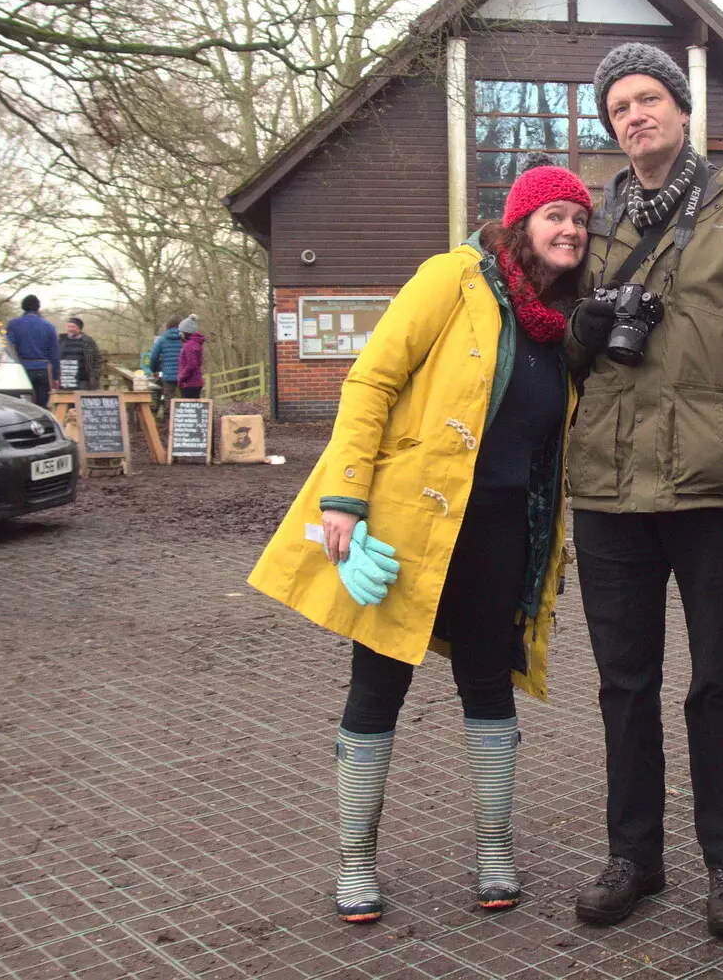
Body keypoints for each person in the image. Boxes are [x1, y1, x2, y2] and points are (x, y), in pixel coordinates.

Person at [248, 159, 590, 920]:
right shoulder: (454, 277)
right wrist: (343, 496)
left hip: (503, 534)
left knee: (487, 686)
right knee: (377, 685)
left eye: (580, 219)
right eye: (555, 215)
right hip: (411, 526)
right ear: (522, 223)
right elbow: (371, 379)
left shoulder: (559, 324)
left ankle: (495, 851)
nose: (570, 229)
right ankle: (354, 862)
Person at [566, 42, 723, 937]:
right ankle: (633, 854)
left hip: (715, 484)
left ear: (680, 109)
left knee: (720, 681)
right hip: (604, 484)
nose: (635, 115)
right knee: (622, 684)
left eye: (649, 99)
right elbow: (558, 352)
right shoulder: (590, 221)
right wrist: (581, 330)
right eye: (619, 107)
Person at [5, 294, 61, 407]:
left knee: (22, 405)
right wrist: (56, 377)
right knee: (42, 404)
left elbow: (8, 348)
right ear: (38, 307)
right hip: (43, 369)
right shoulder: (48, 326)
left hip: (22, 369)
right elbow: (54, 354)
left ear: (23, 307)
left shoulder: (14, 324)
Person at [146, 318, 183, 416]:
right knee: (184, 400)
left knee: (169, 399)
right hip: (184, 374)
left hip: (168, 375)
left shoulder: (162, 340)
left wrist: (154, 370)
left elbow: (153, 358)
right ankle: (184, 423)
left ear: (167, 327)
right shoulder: (186, 339)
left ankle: (169, 423)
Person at [60, 317, 104, 390]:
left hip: (83, 380)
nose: (70, 329)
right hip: (66, 380)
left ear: (79, 329)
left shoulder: (88, 341)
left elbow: (98, 359)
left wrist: (96, 375)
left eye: (73, 327)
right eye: (68, 326)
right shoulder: (61, 341)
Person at [176, 316, 205, 399]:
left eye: (181, 332)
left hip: (189, 383)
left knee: (189, 409)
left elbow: (191, 365)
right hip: (193, 382)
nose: (180, 334)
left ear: (186, 332)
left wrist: (181, 377)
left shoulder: (190, 345)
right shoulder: (194, 343)